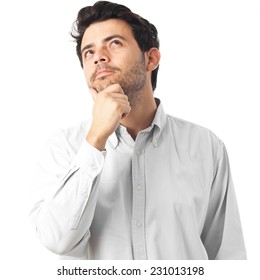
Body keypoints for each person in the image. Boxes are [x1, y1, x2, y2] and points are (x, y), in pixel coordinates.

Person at [30, 1, 247, 260]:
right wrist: (95, 140)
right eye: (89, 52)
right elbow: (57, 240)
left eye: (114, 43)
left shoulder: (205, 146)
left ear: (151, 58)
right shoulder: (64, 147)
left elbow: (227, 255)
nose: (99, 56)